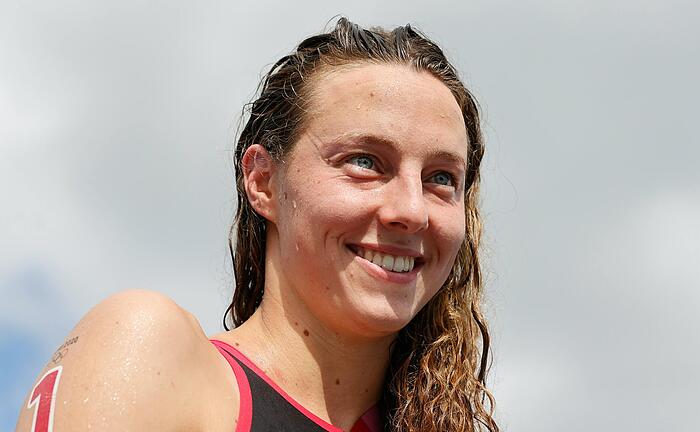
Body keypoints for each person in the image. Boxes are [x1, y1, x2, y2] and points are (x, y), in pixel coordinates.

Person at [15, 18, 498, 432]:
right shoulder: (153, 353)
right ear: (263, 181)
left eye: (440, 178)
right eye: (366, 162)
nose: (411, 210)